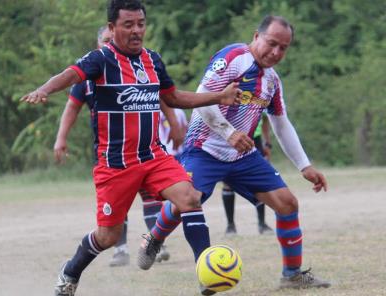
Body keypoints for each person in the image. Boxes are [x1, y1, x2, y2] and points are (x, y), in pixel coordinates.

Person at [20, 1, 242, 295]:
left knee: (190, 197)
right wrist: (44, 90)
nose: (137, 30)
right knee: (108, 236)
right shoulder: (101, 59)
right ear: (112, 29)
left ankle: (207, 274)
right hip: (115, 165)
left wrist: (219, 97)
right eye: (128, 25)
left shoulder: (153, 60)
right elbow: (70, 75)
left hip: (154, 156)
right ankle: (70, 271)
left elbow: (174, 98)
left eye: (140, 24)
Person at [137, 15, 331, 294]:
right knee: (187, 201)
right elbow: (203, 97)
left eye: (283, 48)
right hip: (203, 149)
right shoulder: (233, 58)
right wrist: (228, 133)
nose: (276, 52)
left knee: (287, 204)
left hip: (242, 156)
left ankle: (292, 275)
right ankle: (155, 238)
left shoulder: (272, 81)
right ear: (256, 36)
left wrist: (304, 165)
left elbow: (280, 122)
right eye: (271, 43)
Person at [53, 26, 173, 268]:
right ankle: (121, 248)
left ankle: (155, 244)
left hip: (143, 147)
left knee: (152, 196)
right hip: (111, 150)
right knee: (119, 202)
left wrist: (173, 123)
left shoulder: (137, 67)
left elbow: (162, 96)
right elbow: (72, 107)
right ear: (98, 45)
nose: (111, 43)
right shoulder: (88, 75)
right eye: (106, 41)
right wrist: (61, 138)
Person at [222, 114, 273, 235]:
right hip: (232, 140)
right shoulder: (234, 96)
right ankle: (230, 226)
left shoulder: (263, 97)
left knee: (259, 183)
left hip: (256, 140)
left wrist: (267, 142)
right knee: (228, 183)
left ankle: (262, 224)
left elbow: (266, 118)